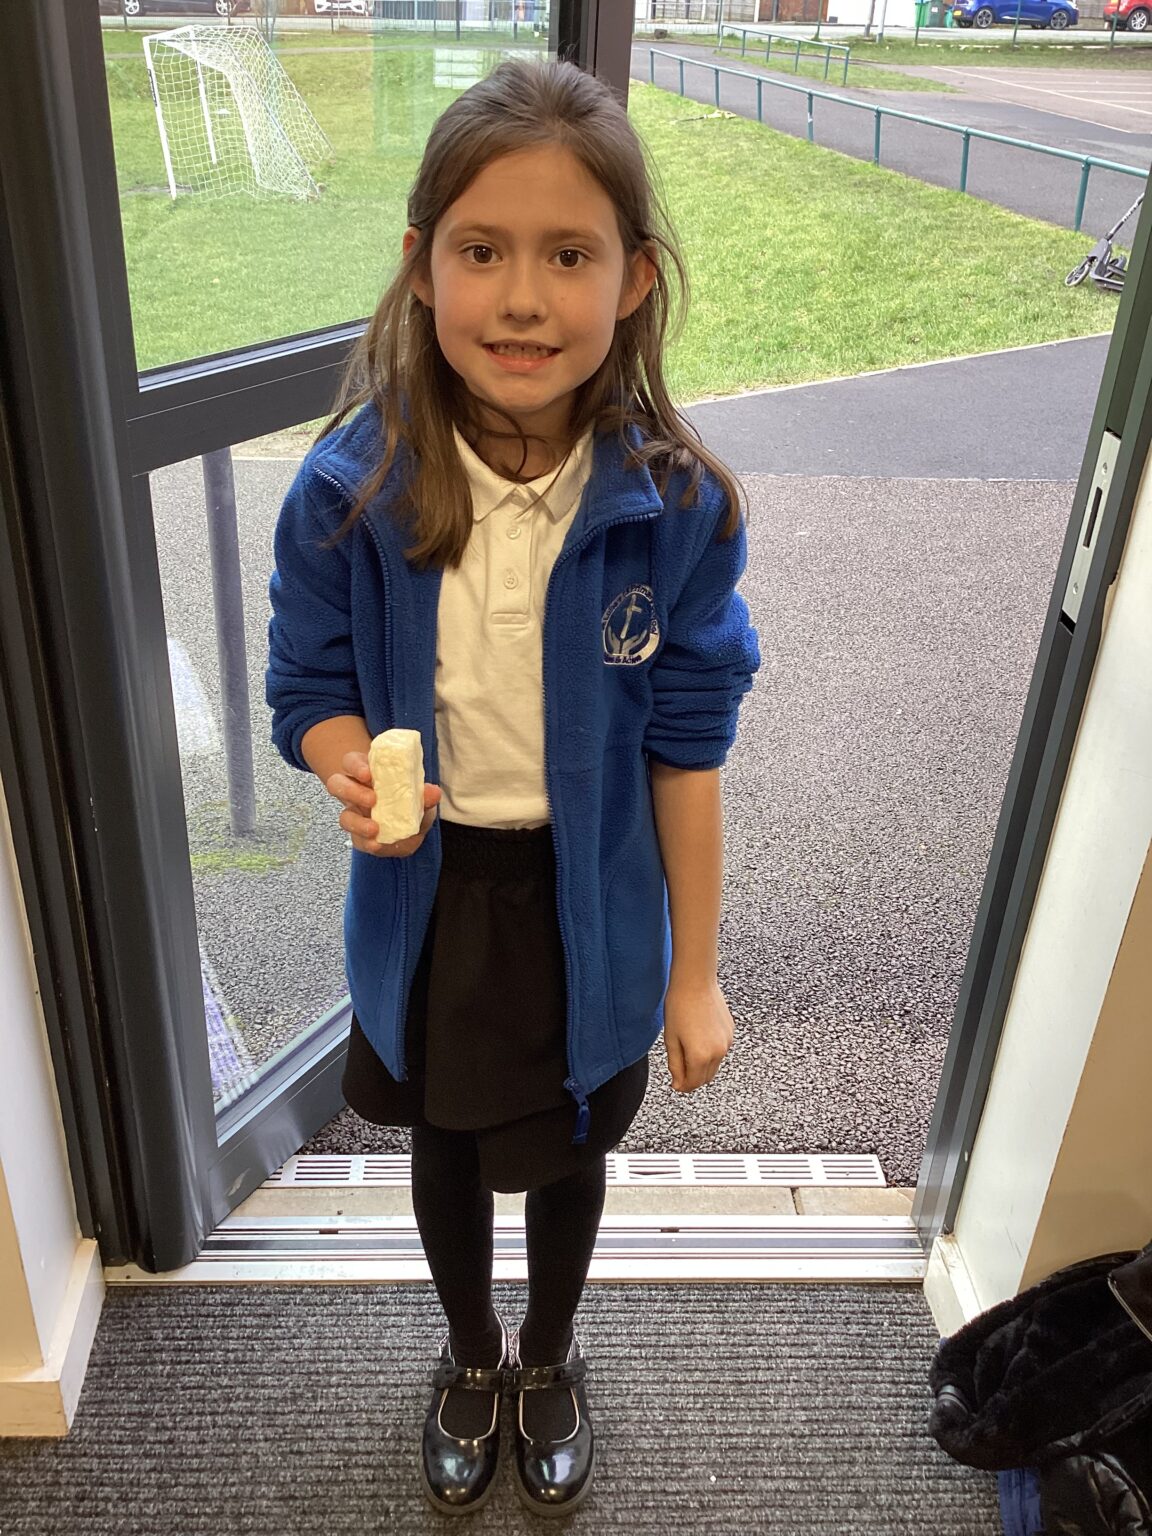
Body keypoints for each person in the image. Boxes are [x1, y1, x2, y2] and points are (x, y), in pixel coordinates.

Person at [266, 55, 760, 1520]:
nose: (524, 300)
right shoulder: (347, 490)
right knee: (443, 1136)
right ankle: (470, 1352)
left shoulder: (676, 508)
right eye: (482, 252)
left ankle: (549, 1352)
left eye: (569, 256)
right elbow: (308, 690)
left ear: (636, 279)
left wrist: (694, 975)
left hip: (587, 900)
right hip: (432, 898)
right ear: (422, 267)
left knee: (569, 1145)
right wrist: (346, 765)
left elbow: (688, 748)